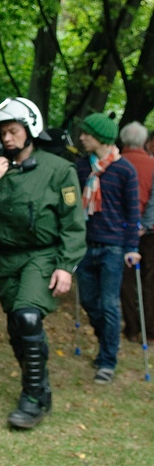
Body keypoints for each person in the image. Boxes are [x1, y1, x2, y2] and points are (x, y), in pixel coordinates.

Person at [0, 97, 86, 428]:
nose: (7, 138)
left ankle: (32, 399)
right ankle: (41, 385)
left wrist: (65, 265)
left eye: (13, 131)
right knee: (17, 326)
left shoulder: (58, 170)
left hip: (42, 255)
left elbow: (73, 222)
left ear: (30, 129)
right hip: (5, 260)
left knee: (28, 316)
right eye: (2, 132)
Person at [75, 113, 141, 384]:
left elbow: (132, 211)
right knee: (91, 303)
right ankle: (108, 342)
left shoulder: (125, 170)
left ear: (99, 137)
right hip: (84, 245)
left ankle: (107, 360)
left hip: (113, 248)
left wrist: (132, 246)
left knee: (109, 304)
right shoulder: (80, 167)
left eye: (86, 134)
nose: (81, 138)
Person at [118, 122, 154, 344]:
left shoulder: (115, 164)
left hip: (121, 230)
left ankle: (131, 328)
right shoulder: (152, 165)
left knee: (126, 280)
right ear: (144, 142)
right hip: (149, 232)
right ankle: (150, 331)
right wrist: (145, 225)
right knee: (150, 280)